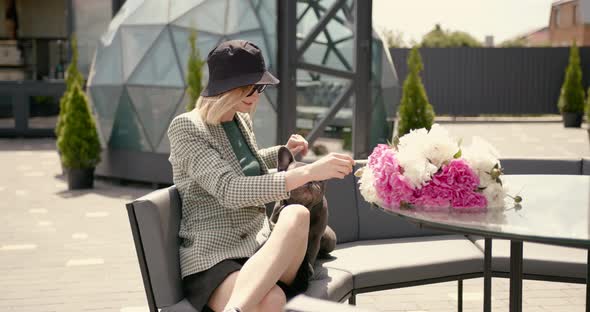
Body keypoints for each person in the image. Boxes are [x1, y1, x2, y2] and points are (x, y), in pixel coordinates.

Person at [167, 40, 355, 312]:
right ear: (224, 85)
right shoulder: (187, 127)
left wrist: (282, 152)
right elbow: (230, 189)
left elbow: (243, 164)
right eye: (250, 86)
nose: (257, 93)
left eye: (261, 86)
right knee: (272, 301)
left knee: (297, 214)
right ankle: (237, 309)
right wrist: (309, 171)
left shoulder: (239, 119)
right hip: (214, 254)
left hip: (259, 244)